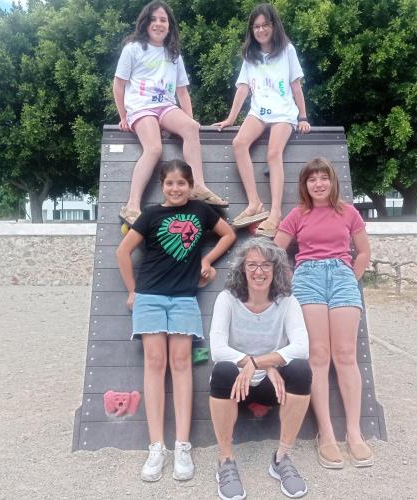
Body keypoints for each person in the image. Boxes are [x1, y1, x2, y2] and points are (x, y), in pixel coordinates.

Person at [116, 159, 235, 482]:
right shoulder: (151, 214)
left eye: (181, 183)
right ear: (162, 186)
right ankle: (156, 447)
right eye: (169, 183)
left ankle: (182, 445)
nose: (175, 188)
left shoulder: (201, 210)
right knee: (155, 364)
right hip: (150, 297)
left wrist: (207, 259)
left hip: (184, 298)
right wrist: (132, 291)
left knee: (182, 365)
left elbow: (228, 235)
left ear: (191, 185)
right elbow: (123, 252)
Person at [274, 157, 373, 470]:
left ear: (332, 181)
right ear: (305, 184)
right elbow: (276, 251)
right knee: (318, 355)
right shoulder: (298, 214)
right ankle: (326, 433)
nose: (318, 183)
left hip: (342, 277)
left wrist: (351, 278)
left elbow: (364, 251)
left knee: (345, 354)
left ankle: (354, 432)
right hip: (308, 279)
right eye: (312, 179)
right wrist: (292, 279)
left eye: (323, 177)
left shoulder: (349, 212)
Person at [209, 238, 312, 499]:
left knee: (301, 369)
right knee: (222, 370)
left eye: (266, 265)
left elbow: (302, 348)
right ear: (242, 269)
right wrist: (257, 363)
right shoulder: (227, 299)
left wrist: (260, 364)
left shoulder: (287, 301)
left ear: (275, 269)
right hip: (237, 385)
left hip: (272, 388)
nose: (259, 271)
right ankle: (225, 460)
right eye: (252, 265)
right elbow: (217, 349)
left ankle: (282, 457)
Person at [113, 0, 228, 226]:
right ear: (145, 23)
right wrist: (123, 116)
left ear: (170, 25)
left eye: (163, 20)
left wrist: (188, 119)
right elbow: (118, 84)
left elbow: (182, 91)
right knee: (154, 148)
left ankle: (198, 186)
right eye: (153, 19)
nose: (158, 24)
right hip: (141, 106)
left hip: (165, 106)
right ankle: (132, 205)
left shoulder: (173, 54)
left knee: (192, 128)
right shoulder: (133, 49)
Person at [213, 3, 310, 237]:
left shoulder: (287, 50)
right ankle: (254, 203)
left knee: (273, 153)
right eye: (256, 26)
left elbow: (296, 85)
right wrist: (230, 118)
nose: (261, 30)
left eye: (265, 25)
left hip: (283, 112)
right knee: (239, 143)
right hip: (259, 111)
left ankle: (275, 213)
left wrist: (303, 117)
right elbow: (243, 88)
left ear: (274, 26)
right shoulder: (250, 55)